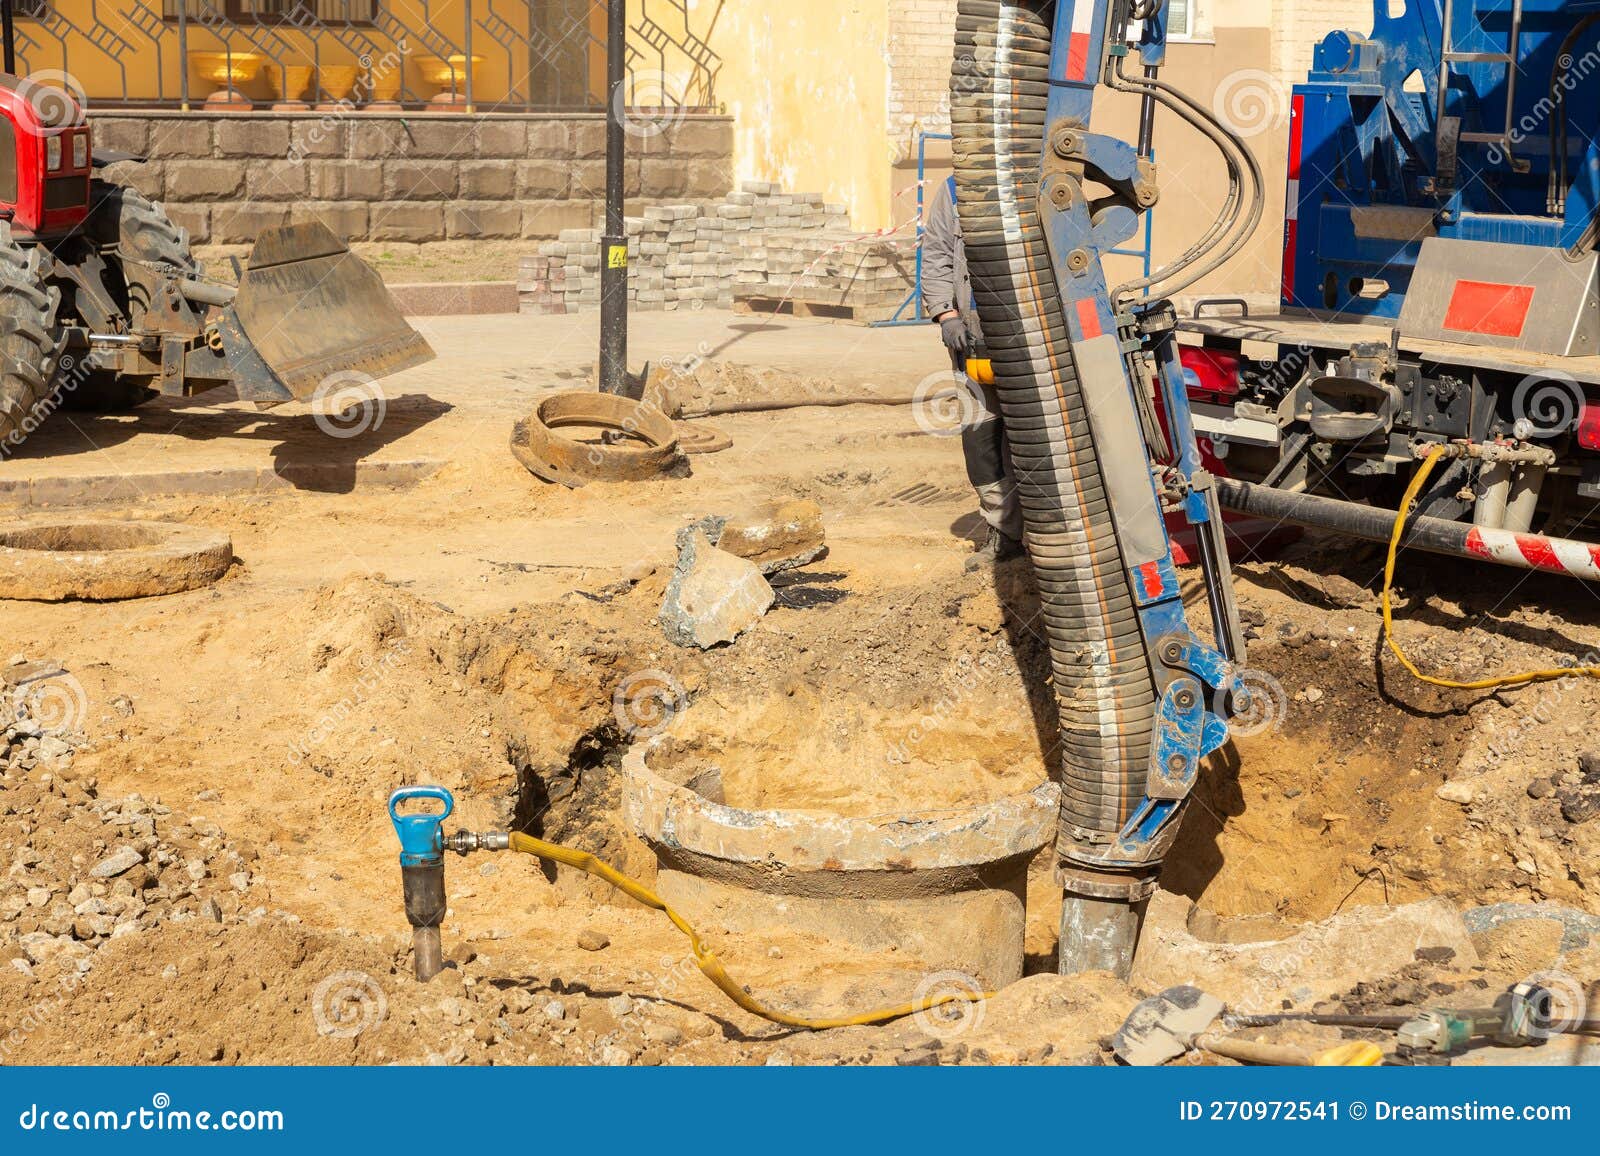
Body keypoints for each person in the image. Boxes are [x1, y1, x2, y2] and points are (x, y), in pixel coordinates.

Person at [922, 175, 1024, 569]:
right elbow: (936, 253)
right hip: (975, 337)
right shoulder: (953, 188)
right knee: (982, 440)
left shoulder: (1036, 178)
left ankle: (1046, 532)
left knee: (1034, 439)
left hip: (1031, 331)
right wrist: (946, 314)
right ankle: (1004, 531)